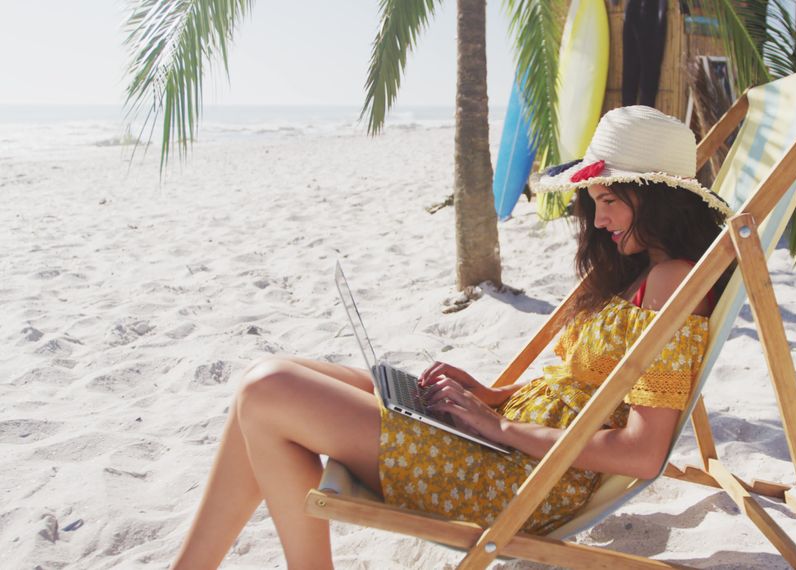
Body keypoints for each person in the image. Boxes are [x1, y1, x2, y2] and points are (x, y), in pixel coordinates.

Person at [170, 105, 734, 569]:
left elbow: (642, 451)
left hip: (517, 483)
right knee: (264, 382)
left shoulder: (673, 282)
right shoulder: (641, 272)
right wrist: (490, 397)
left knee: (269, 390)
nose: (598, 216)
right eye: (594, 201)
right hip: (505, 448)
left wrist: (500, 426)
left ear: (655, 197)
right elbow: (583, 391)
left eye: (608, 199)